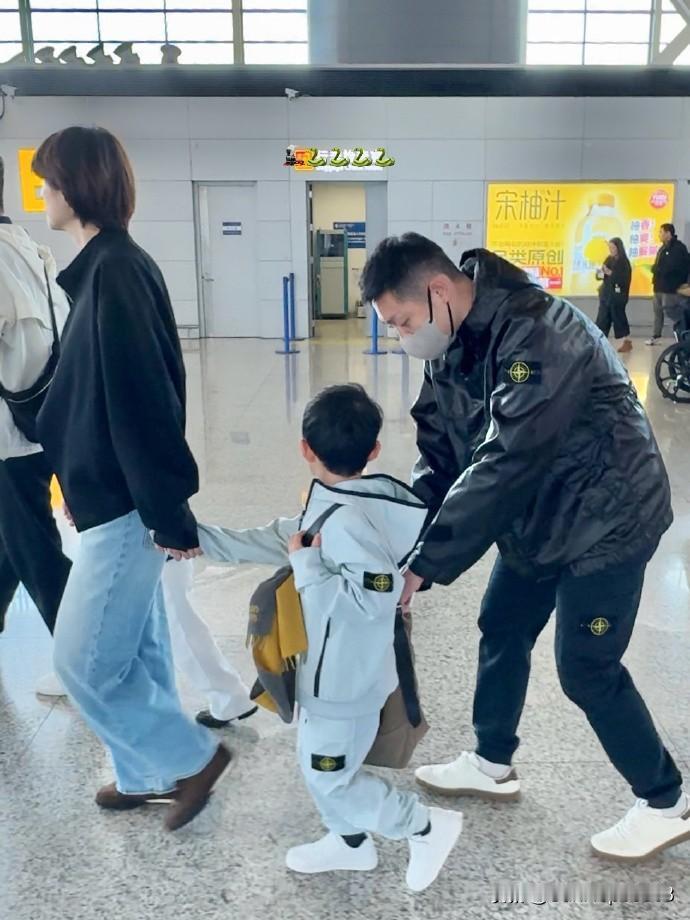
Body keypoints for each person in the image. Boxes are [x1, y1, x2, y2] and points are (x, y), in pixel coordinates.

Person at [361, 233, 688, 863]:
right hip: (538, 513)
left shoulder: (539, 331)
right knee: (503, 625)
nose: (402, 336)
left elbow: (508, 456)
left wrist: (427, 564)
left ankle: (665, 800)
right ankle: (492, 761)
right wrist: (400, 539)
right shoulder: (450, 342)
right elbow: (441, 455)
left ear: (437, 290)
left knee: (587, 666)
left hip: (608, 516)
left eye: (401, 321)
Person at [32, 126, 230, 831]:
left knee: (82, 662)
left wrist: (166, 511)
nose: (41, 194)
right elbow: (91, 394)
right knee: (136, 650)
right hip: (110, 498)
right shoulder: (106, 268)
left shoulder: (115, 272)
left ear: (75, 187)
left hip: (125, 506)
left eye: (48, 181)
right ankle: (146, 774)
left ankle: (191, 758)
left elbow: (144, 400)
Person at [197, 384, 463, 893]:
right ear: (374, 450)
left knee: (329, 775)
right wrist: (190, 537)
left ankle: (424, 825)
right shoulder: (333, 506)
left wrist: (308, 566)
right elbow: (272, 538)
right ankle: (350, 843)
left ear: (305, 448)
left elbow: (373, 601)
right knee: (318, 764)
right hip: (328, 677)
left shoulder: (351, 521)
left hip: (344, 685)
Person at [0, 154, 72, 694]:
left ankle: (81, 660)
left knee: (35, 548)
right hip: (40, 424)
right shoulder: (28, 248)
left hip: (8, 439)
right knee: (14, 534)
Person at [647, 223, 690, 346]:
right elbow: (659, 266)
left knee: (672, 312)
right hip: (658, 287)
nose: (659, 235)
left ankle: (683, 335)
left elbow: (673, 267)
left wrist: (657, 269)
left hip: (670, 289)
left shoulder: (678, 248)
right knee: (658, 313)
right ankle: (656, 336)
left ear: (668, 233)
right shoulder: (662, 248)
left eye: (661, 232)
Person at [595, 237, 632, 354]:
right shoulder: (609, 259)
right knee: (602, 318)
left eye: (613, 247)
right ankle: (600, 342)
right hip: (606, 294)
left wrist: (610, 273)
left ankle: (627, 341)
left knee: (619, 318)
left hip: (618, 296)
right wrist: (600, 272)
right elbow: (600, 275)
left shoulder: (624, 262)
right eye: (609, 247)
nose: (611, 250)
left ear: (618, 248)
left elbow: (623, 279)